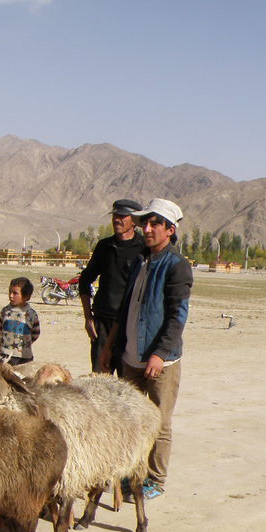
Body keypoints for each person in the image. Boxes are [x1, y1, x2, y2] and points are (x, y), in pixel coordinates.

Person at [99, 198, 193, 502]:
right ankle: (132, 475)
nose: (147, 229)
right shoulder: (140, 260)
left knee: (159, 421)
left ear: (170, 229)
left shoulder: (177, 266)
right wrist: (109, 346)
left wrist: (160, 353)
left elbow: (177, 315)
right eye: (146, 223)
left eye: (154, 224)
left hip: (159, 362)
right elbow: (125, 309)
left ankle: (155, 479)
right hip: (130, 357)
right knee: (131, 420)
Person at [78, 198, 145, 373]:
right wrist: (88, 317)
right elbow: (85, 279)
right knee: (99, 384)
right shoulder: (104, 247)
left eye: (123, 216)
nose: (117, 219)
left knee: (128, 386)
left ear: (135, 221)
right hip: (103, 325)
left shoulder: (144, 248)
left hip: (129, 325)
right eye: (115, 215)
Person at [0, 276, 41, 365]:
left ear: (26, 296)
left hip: (24, 357)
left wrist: (25, 343)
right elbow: (1, 329)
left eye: (15, 293)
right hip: (4, 355)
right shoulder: (5, 311)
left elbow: (35, 333)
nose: (11, 296)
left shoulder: (31, 314)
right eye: (10, 292)